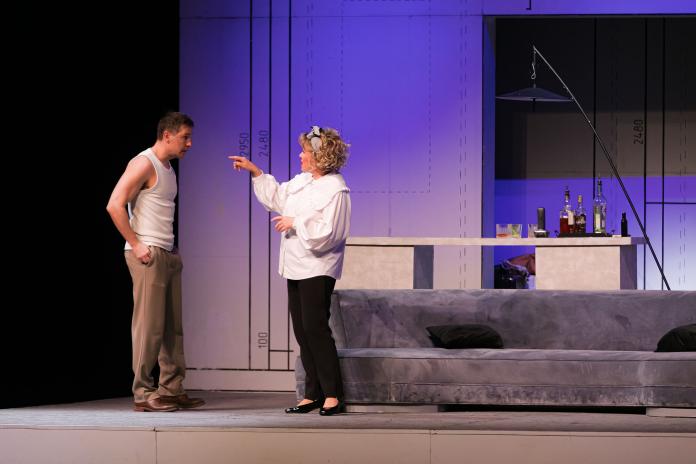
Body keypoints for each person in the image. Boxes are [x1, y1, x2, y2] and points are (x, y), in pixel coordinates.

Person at [229, 126, 351, 416]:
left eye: (305, 152)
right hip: (295, 265)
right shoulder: (303, 181)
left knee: (315, 328)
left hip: (317, 266)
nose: (300, 156)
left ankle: (333, 394)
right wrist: (256, 172)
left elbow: (330, 232)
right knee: (302, 331)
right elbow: (279, 198)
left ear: (320, 157)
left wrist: (296, 222)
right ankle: (312, 393)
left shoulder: (336, 190)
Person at [106, 112, 205, 412]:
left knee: (172, 328)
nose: (189, 143)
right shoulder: (144, 163)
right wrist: (136, 244)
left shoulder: (168, 169)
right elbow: (114, 204)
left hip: (166, 252)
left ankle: (171, 389)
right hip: (147, 253)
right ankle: (143, 392)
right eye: (185, 137)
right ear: (167, 135)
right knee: (149, 327)